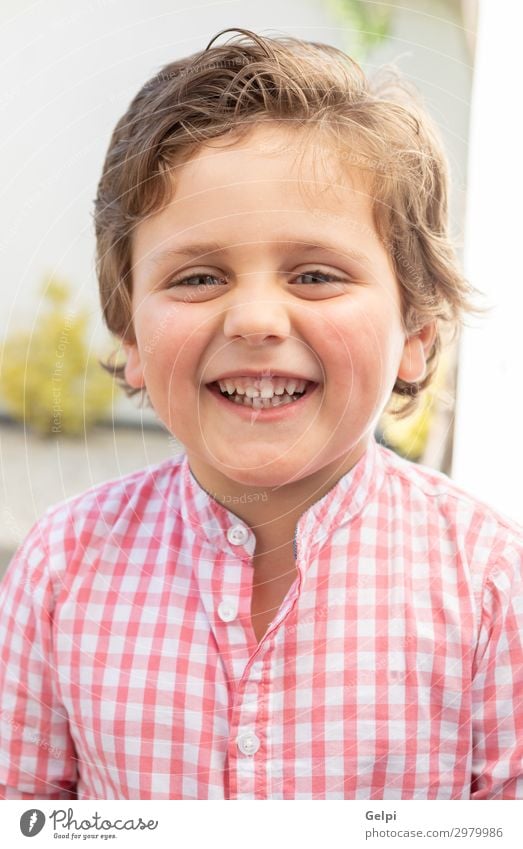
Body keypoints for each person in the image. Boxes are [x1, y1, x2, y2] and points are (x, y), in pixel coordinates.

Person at [1, 27, 522, 801]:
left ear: (415, 336)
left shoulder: (491, 587)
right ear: (131, 334)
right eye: (199, 276)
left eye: (314, 274)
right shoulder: (58, 570)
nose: (254, 319)